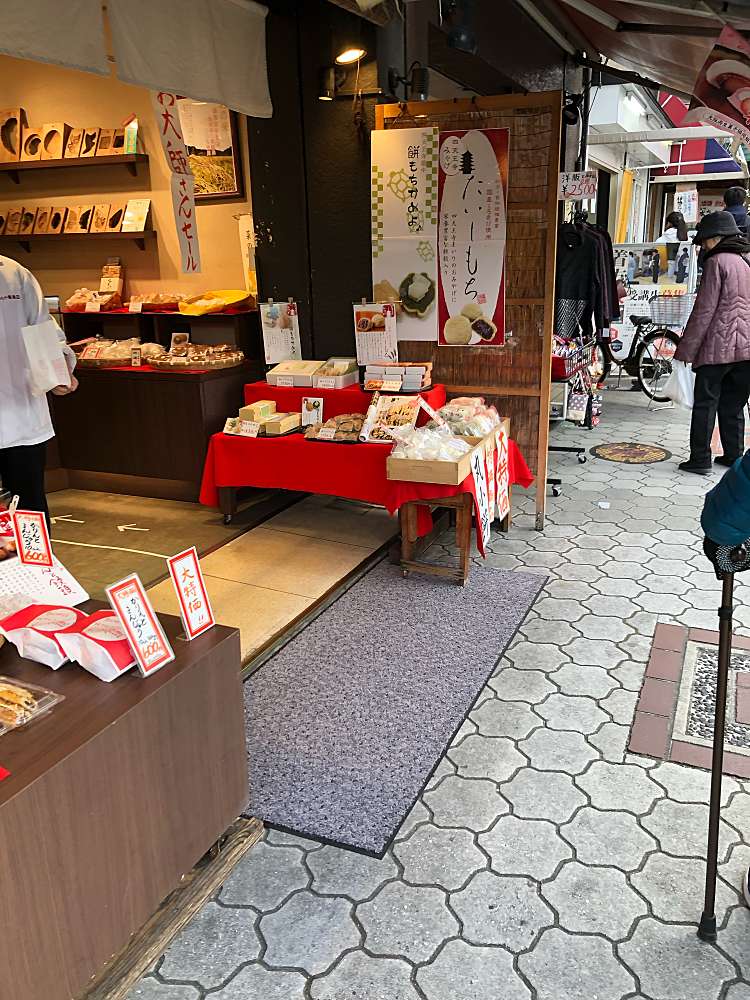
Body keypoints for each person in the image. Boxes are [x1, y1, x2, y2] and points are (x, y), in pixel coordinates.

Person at [0, 255, 77, 521]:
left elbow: (43, 329)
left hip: (23, 417)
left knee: (29, 509)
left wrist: (59, 373)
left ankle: (36, 564)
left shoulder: (13, 274)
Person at [674, 211, 750, 475]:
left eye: (705, 240)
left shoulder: (717, 262)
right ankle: (733, 456)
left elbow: (704, 310)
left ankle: (700, 459)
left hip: (717, 350)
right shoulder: (746, 260)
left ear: (717, 238)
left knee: (706, 404)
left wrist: (686, 349)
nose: (703, 245)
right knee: (734, 405)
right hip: (746, 351)